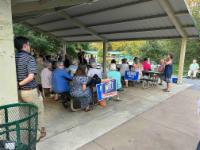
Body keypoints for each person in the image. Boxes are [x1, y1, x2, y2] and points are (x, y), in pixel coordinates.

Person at [15, 36, 46, 140]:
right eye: (28, 44)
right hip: (29, 91)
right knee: (38, 111)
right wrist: (20, 84)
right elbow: (31, 77)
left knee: (25, 113)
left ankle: (28, 132)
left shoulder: (14, 57)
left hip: (19, 92)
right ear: (25, 45)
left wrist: (18, 86)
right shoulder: (29, 58)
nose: (29, 46)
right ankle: (37, 135)